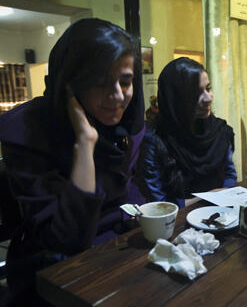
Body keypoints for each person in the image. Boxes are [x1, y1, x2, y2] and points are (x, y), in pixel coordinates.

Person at [0, 18, 145, 302]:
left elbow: (132, 193)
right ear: (70, 83)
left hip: (118, 256)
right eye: (101, 82)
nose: (117, 95)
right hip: (53, 275)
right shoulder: (29, 131)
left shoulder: (123, 129)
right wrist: (85, 145)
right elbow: (68, 240)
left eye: (125, 81)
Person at [137, 57, 236, 208]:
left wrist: (220, 195)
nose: (208, 98)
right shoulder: (156, 140)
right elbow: (160, 203)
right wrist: (209, 197)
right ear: (175, 99)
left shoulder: (220, 131)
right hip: (178, 225)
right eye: (196, 94)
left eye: (208, 89)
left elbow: (230, 177)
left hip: (223, 217)